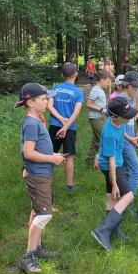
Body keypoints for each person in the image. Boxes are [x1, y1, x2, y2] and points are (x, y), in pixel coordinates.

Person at [17, 82, 67, 274]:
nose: (47, 102)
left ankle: (37, 247)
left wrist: (52, 155)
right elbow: (28, 152)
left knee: (37, 209)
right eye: (44, 99)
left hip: (41, 173)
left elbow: (35, 149)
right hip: (38, 175)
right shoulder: (31, 124)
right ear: (30, 102)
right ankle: (28, 256)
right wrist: (52, 159)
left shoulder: (36, 120)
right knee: (44, 214)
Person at [91, 97, 138, 250]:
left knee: (111, 198)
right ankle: (103, 230)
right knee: (128, 195)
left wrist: (130, 139)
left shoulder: (118, 122)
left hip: (113, 164)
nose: (130, 117)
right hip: (111, 167)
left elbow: (122, 131)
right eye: (126, 115)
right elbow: (111, 161)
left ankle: (113, 230)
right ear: (115, 116)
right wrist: (115, 184)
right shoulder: (109, 133)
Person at [47, 62, 84, 194]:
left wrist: (60, 119)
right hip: (70, 128)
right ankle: (69, 186)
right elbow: (76, 112)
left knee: (50, 155)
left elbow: (49, 106)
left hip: (54, 126)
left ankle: (46, 184)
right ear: (76, 74)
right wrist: (66, 125)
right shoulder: (78, 92)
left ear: (62, 75)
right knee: (69, 156)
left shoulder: (55, 88)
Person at [117, 71, 138, 196]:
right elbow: (116, 125)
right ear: (125, 85)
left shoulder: (128, 99)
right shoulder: (121, 100)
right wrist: (130, 138)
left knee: (126, 171)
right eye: (134, 87)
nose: (136, 89)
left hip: (128, 138)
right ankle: (127, 201)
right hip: (125, 141)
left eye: (137, 87)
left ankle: (121, 198)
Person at [86, 70, 113, 160]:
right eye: (108, 82)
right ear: (102, 80)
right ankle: (105, 160)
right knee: (106, 137)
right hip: (96, 118)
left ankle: (89, 160)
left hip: (101, 117)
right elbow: (88, 104)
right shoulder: (95, 90)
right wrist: (102, 109)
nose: (109, 84)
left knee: (96, 140)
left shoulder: (100, 90)